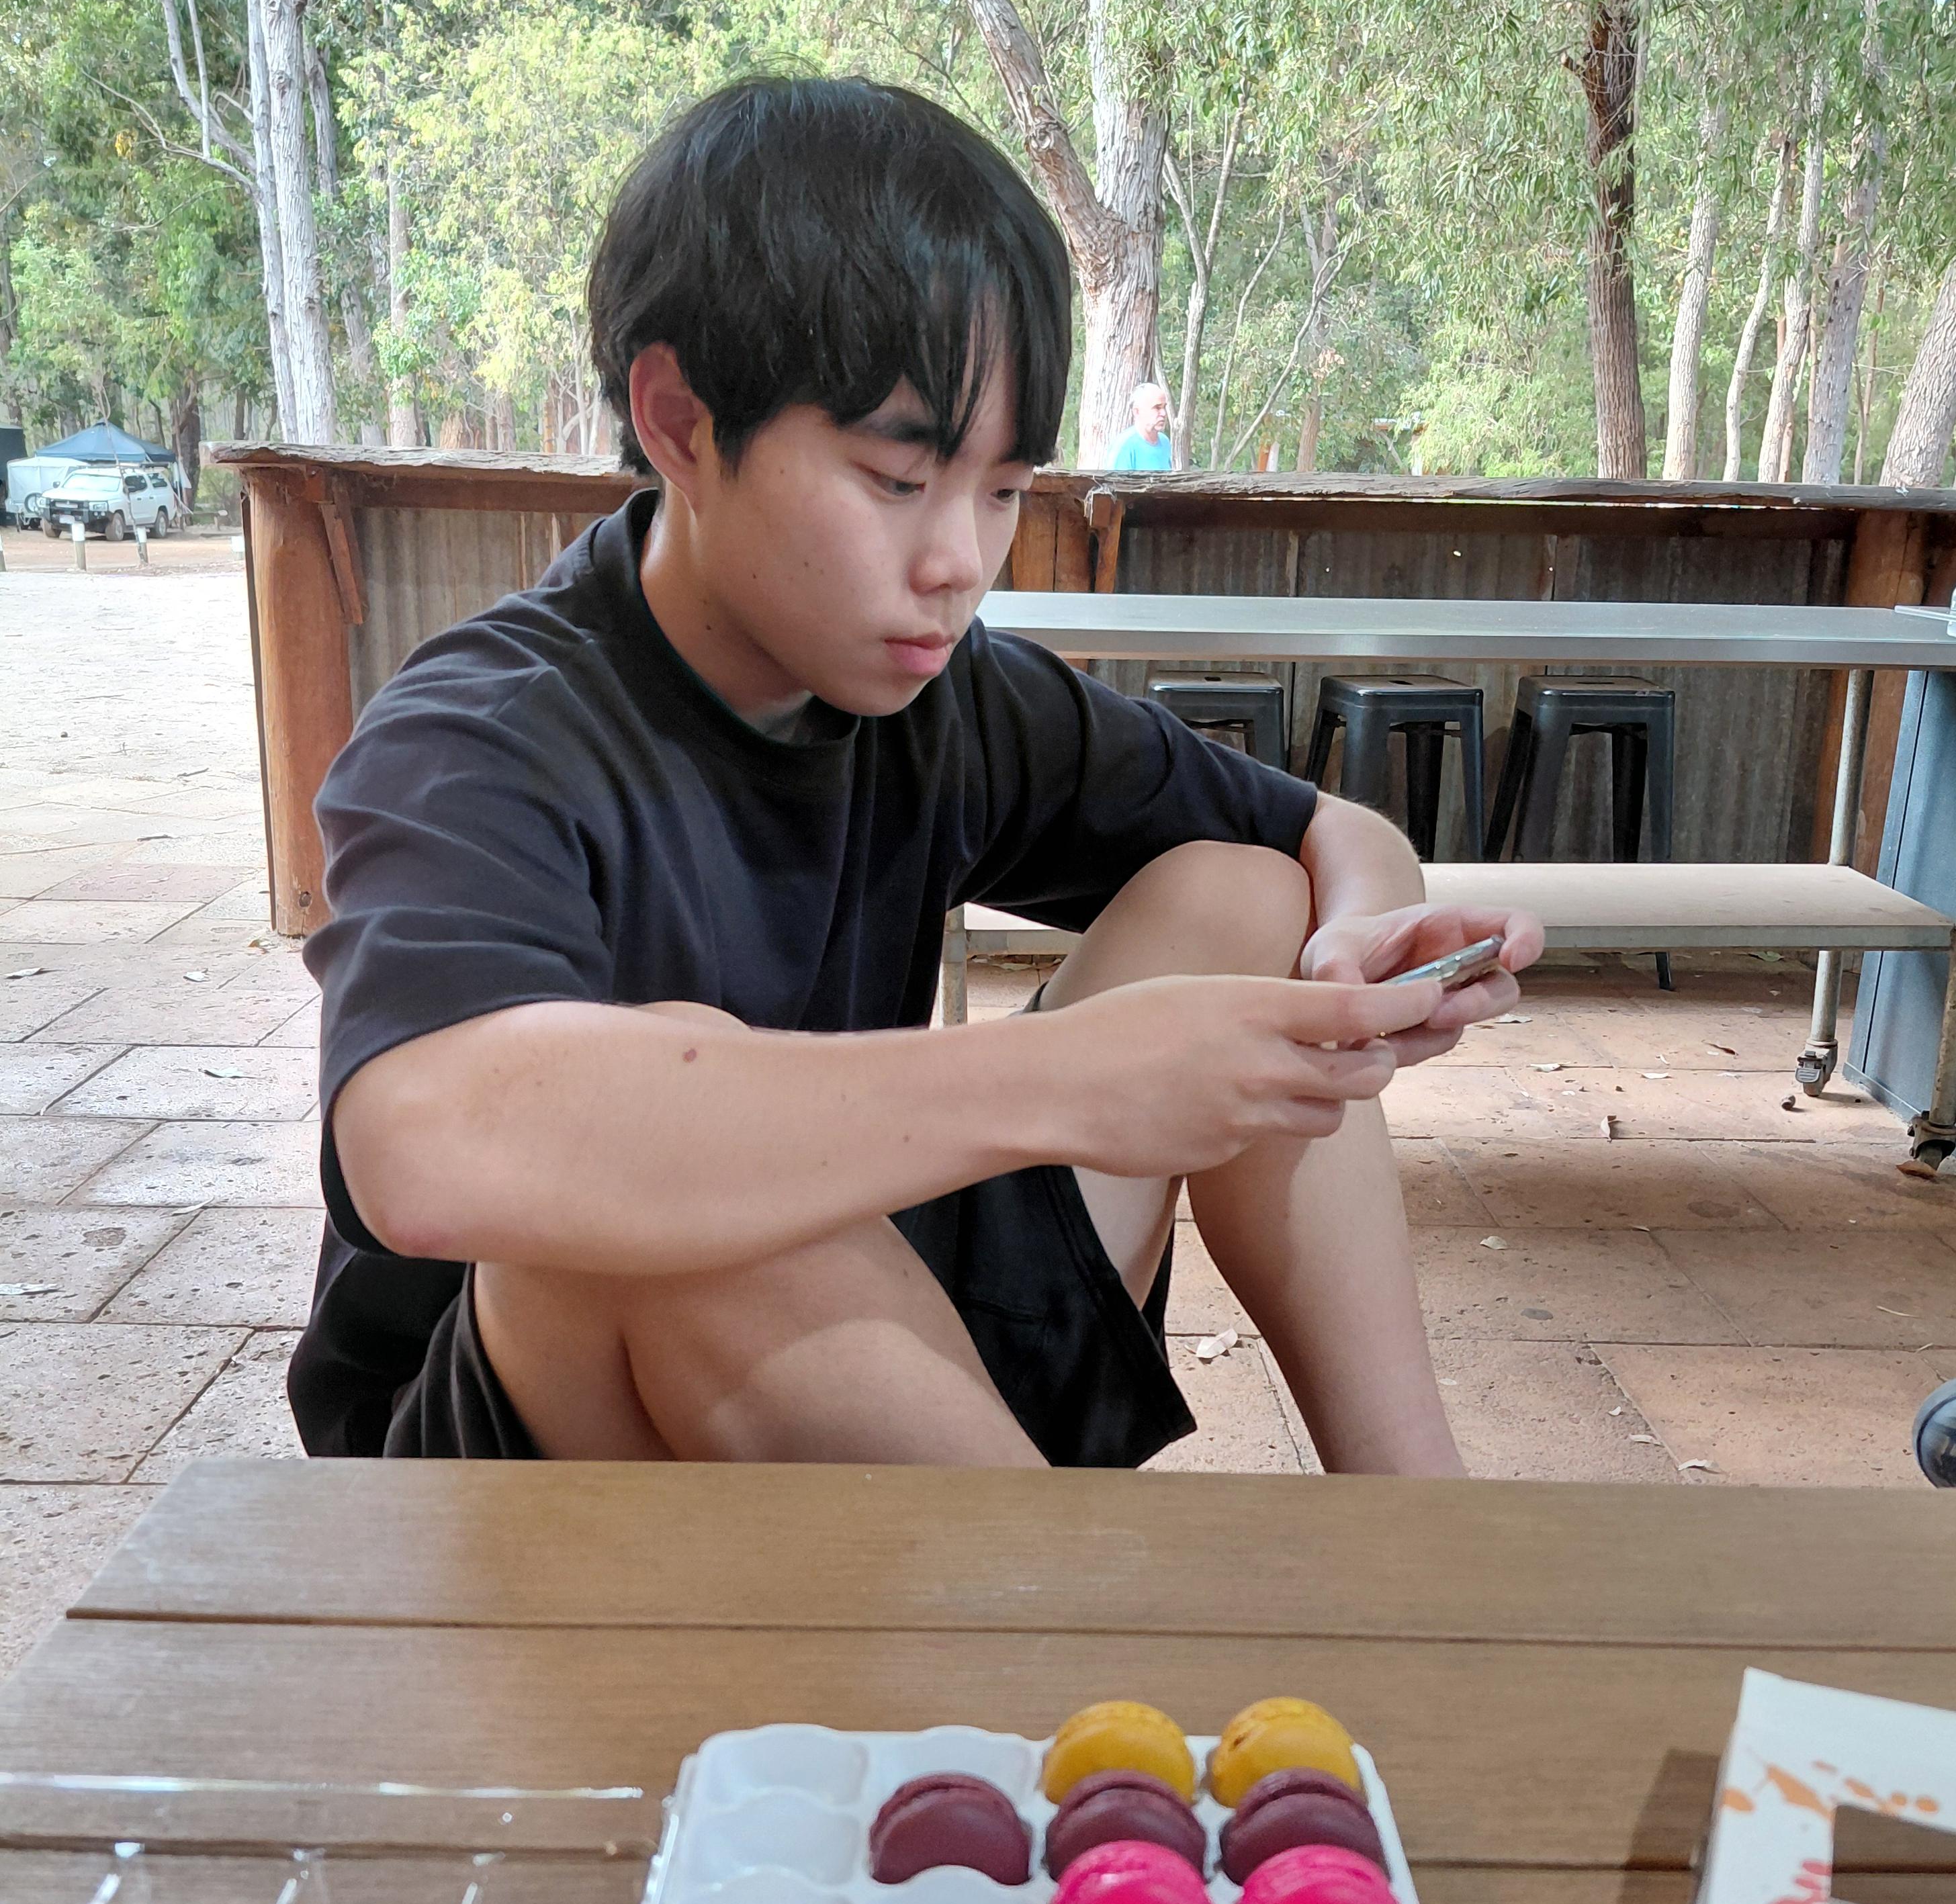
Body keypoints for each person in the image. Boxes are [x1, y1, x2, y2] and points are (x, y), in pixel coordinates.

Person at [287, 76, 1540, 1474]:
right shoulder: (480, 734)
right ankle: (1045, 1599)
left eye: (1002, 491)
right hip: (517, 1479)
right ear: (681, 421)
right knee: (682, 1157)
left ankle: (1418, 1526)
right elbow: (427, 1148)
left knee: (1240, 900)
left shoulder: (945, 696)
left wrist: (1359, 944)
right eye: (897, 480)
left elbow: (1330, 833)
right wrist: (1062, 1078)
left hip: (849, 1379)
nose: (958, 562)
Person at [1110, 380, 1175, 470]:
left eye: (1164, 407)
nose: (1164, 413)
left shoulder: (1165, 442)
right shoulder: (1124, 446)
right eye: (1157, 408)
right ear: (1137, 412)